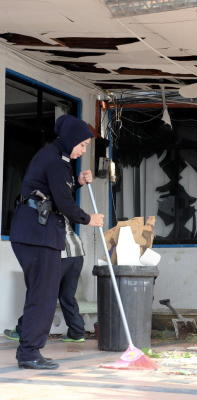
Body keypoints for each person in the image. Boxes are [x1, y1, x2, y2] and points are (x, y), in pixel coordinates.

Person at [9, 114, 104, 369]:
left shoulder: (55, 157)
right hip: (37, 235)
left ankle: (30, 350)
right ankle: (29, 353)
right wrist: (88, 219)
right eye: (82, 144)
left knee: (42, 294)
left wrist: (79, 183)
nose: (83, 150)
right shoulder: (54, 159)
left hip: (36, 234)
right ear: (72, 139)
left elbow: (56, 192)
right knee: (44, 295)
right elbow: (63, 203)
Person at [4, 217, 87, 344]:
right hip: (77, 254)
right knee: (67, 296)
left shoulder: (43, 210)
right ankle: (77, 332)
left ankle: (22, 330)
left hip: (60, 255)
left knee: (41, 293)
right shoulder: (60, 209)